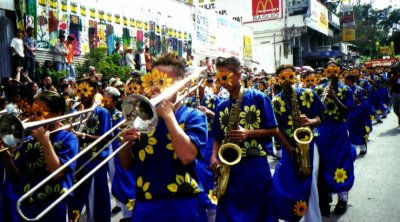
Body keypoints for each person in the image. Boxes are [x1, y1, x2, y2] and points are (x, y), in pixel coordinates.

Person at [119, 53, 208, 221]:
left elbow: (187, 156)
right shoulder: (142, 118)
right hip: (145, 203)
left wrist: (168, 116)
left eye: (163, 82)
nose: (156, 88)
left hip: (182, 204)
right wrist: (125, 144)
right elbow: (127, 164)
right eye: (152, 81)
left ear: (180, 86)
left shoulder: (194, 116)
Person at [210, 56, 283, 222]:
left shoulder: (259, 98)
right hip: (230, 170)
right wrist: (214, 156)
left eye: (225, 76)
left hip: (254, 166)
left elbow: (274, 130)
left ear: (238, 75)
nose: (222, 81)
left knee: (259, 214)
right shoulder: (221, 105)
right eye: (219, 78)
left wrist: (248, 133)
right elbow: (217, 137)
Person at [2, 91, 79, 221]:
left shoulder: (69, 139)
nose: (35, 118)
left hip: (54, 206)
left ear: (58, 113)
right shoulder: (28, 139)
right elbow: (15, 178)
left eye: (40, 113)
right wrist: (5, 153)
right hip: (27, 205)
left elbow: (58, 173)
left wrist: (45, 141)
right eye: (33, 113)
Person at [272, 64, 325, 221]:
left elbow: (319, 119)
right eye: (283, 78)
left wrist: (309, 121)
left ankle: (313, 219)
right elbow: (276, 129)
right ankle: (296, 216)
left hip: (309, 144)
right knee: (292, 183)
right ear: (278, 80)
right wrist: (288, 148)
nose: (287, 81)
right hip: (290, 147)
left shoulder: (308, 93)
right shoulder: (275, 101)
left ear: (295, 77)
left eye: (290, 77)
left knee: (311, 183)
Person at [314, 61, 355, 217]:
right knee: (324, 164)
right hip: (323, 131)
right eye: (329, 71)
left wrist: (335, 98)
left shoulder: (346, 90)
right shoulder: (318, 89)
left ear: (339, 72)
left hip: (338, 130)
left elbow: (347, 112)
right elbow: (314, 112)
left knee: (341, 162)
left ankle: (343, 198)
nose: (331, 74)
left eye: (334, 71)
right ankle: (326, 195)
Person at [68, 78, 112, 222]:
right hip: (77, 161)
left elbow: (106, 138)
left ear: (95, 92)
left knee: (96, 202)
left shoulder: (102, 112)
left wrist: (83, 135)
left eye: (86, 90)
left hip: (94, 161)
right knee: (75, 200)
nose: (83, 94)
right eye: (80, 90)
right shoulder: (74, 111)